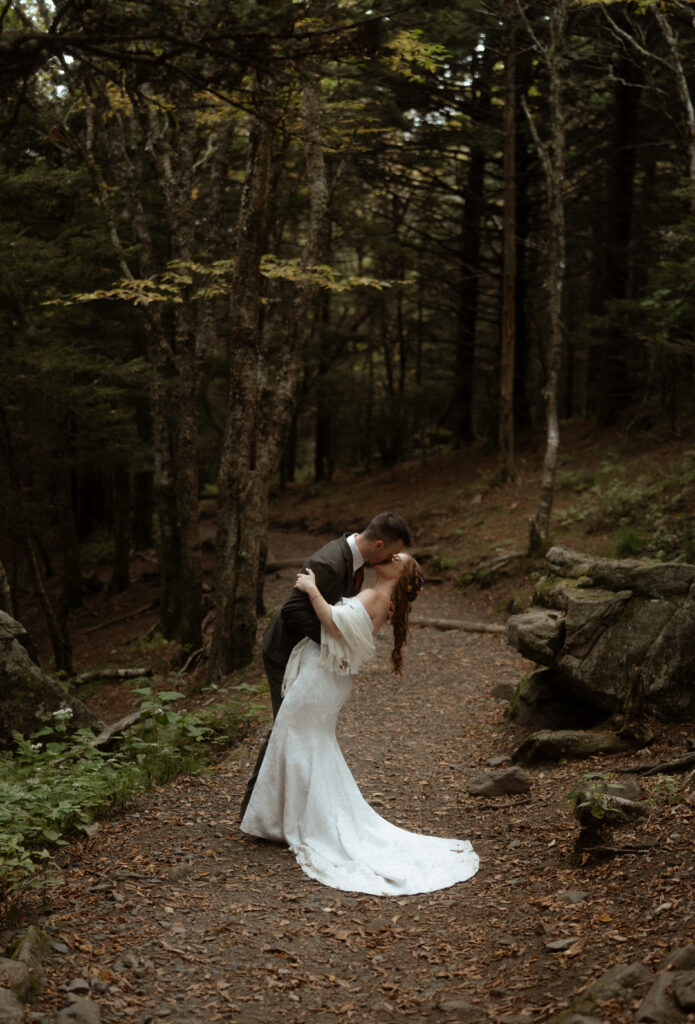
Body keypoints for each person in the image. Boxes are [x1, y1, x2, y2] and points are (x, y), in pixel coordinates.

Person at [240, 551, 480, 896]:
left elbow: (334, 626)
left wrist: (311, 589)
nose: (390, 556)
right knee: (306, 742)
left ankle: (295, 823)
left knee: (296, 738)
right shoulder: (382, 599)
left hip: (320, 677)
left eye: (399, 556)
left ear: (400, 572)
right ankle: (284, 819)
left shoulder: (374, 596)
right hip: (328, 678)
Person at [239, 512, 413, 819]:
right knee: (288, 728)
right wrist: (337, 640)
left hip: (318, 660)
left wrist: (340, 639)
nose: (390, 558)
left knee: (297, 730)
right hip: (285, 650)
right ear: (380, 545)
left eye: (395, 557)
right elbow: (292, 611)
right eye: (390, 552)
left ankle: (285, 813)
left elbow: (345, 622)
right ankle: (258, 810)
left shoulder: (361, 567)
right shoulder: (331, 561)